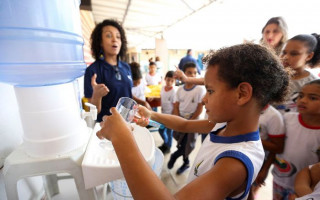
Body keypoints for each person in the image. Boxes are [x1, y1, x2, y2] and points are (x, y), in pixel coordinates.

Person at [96, 43, 290, 199]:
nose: (204, 98)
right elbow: (184, 124)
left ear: (242, 94)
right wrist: (153, 114)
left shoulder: (235, 161)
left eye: (211, 91)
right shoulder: (225, 125)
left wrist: (122, 138)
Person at [272, 79, 320, 200]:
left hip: (306, 190)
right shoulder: (287, 119)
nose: (303, 100)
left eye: (313, 98)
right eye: (301, 96)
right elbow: (276, 146)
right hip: (279, 180)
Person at [84, 19, 132, 122]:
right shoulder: (93, 71)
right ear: (100, 42)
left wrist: (142, 103)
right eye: (109, 35)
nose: (115, 40)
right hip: (106, 129)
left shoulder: (126, 67)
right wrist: (96, 96)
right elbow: (92, 113)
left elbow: (126, 93)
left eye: (118, 37)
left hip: (127, 124)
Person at [168, 63, 205, 175]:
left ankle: (174, 156)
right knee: (181, 143)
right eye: (189, 73)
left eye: (195, 73)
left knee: (189, 145)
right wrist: (178, 120)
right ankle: (186, 163)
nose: (193, 75)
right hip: (181, 120)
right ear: (183, 74)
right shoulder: (179, 90)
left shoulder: (199, 89)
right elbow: (176, 106)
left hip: (193, 121)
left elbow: (199, 108)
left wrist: (188, 123)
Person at [276, 33, 320, 113]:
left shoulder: (314, 83)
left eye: (294, 54)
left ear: (309, 56)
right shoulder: (273, 76)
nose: (285, 57)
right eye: (284, 52)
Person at [248, 105, 285, 200]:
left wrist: (265, 169)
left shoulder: (273, 116)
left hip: (258, 163)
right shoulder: (244, 107)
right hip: (241, 158)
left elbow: (278, 147)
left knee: (250, 192)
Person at [158, 71, 176, 154]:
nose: (169, 82)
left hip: (170, 115)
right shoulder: (162, 88)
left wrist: (173, 116)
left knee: (169, 132)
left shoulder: (174, 92)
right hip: (163, 114)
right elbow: (161, 98)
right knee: (160, 130)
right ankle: (166, 143)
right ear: (165, 79)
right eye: (168, 80)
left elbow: (175, 105)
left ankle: (168, 147)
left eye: (172, 81)